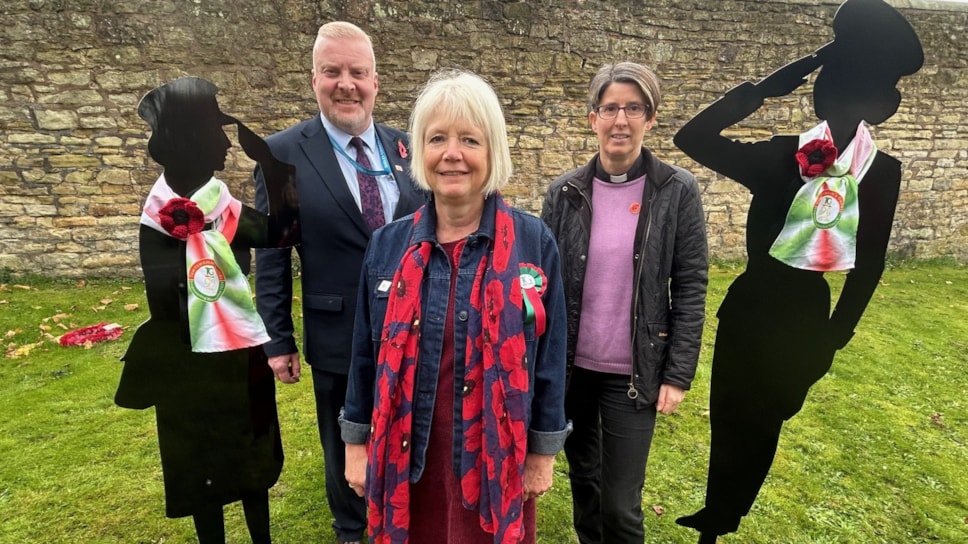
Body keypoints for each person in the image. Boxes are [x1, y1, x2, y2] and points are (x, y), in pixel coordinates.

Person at [671, 1, 923, 542]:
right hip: (751, 304)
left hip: (807, 314)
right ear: (817, 92)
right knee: (729, 416)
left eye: (856, 94)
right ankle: (716, 510)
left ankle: (729, 509)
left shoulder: (881, 173)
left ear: (881, 107)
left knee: (762, 424)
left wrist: (835, 337)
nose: (838, 102)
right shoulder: (783, 156)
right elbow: (691, 138)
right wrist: (769, 85)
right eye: (830, 88)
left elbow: (870, 263)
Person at [340, 69, 570, 544]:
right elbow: (365, 352)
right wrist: (355, 442)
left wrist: (543, 452)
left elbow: (550, 355)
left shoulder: (533, 243)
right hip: (408, 459)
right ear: (420, 151)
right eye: (437, 138)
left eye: (470, 139)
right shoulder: (387, 245)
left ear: (493, 151)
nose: (452, 154)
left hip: (497, 461)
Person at [253, 21, 425, 544]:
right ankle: (353, 528)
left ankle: (409, 515)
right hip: (338, 333)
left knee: (411, 430)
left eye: (357, 72)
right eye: (333, 72)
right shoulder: (281, 154)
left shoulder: (408, 148)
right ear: (314, 79)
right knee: (344, 442)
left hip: (415, 328)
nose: (345, 84)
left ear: (376, 80)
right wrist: (277, 339)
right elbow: (273, 255)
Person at [115, 76, 299, 544]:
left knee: (252, 466)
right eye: (216, 132)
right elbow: (166, 302)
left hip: (239, 359)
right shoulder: (157, 219)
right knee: (204, 474)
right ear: (191, 139)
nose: (225, 143)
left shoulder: (224, 206)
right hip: (190, 365)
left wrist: (277, 178)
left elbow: (281, 235)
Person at [541, 62, 709, 544]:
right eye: (610, 107)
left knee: (620, 504)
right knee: (585, 484)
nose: (621, 120)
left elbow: (692, 282)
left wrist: (677, 373)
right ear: (592, 116)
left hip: (634, 371)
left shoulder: (677, 190)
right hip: (573, 367)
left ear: (651, 118)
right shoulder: (564, 192)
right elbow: (542, 282)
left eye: (634, 108)